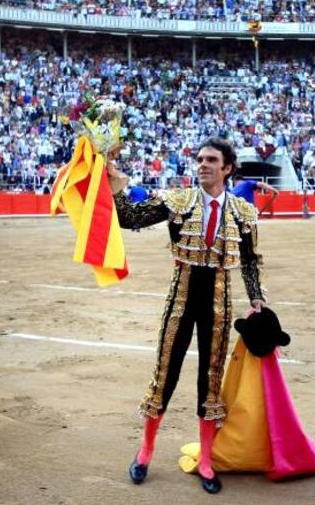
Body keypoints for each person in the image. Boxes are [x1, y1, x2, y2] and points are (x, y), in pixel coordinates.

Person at [107, 137, 267, 494]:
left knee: (210, 380)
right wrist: (115, 182)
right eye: (199, 159)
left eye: (211, 160)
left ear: (227, 168)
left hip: (218, 301)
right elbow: (128, 218)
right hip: (180, 297)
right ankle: (146, 450)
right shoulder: (179, 200)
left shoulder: (242, 211)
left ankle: (207, 460)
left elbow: (252, 260)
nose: (202, 165)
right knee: (165, 372)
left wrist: (256, 297)